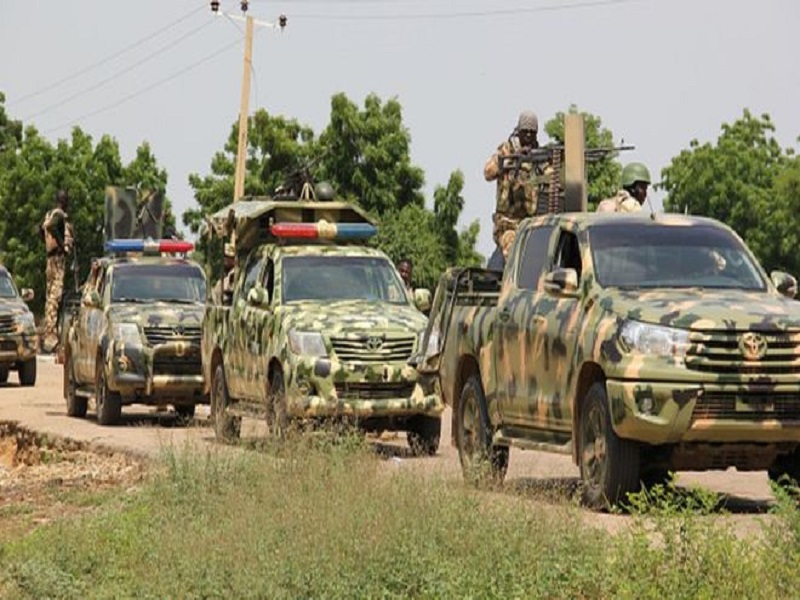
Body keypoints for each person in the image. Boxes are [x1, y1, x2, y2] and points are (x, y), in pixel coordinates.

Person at [484, 110, 545, 269]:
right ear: (519, 131)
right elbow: (488, 172)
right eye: (526, 132)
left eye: (533, 133)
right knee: (514, 255)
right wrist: (514, 157)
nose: (529, 137)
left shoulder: (538, 155)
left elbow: (552, 177)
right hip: (507, 224)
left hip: (531, 224)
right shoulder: (506, 150)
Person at [41, 190, 74, 352]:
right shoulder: (59, 215)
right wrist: (62, 246)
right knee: (55, 296)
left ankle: (48, 332)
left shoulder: (49, 214)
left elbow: (41, 230)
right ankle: (51, 336)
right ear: (64, 201)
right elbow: (53, 227)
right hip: (58, 259)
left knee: (50, 298)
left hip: (49, 258)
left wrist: (48, 245)